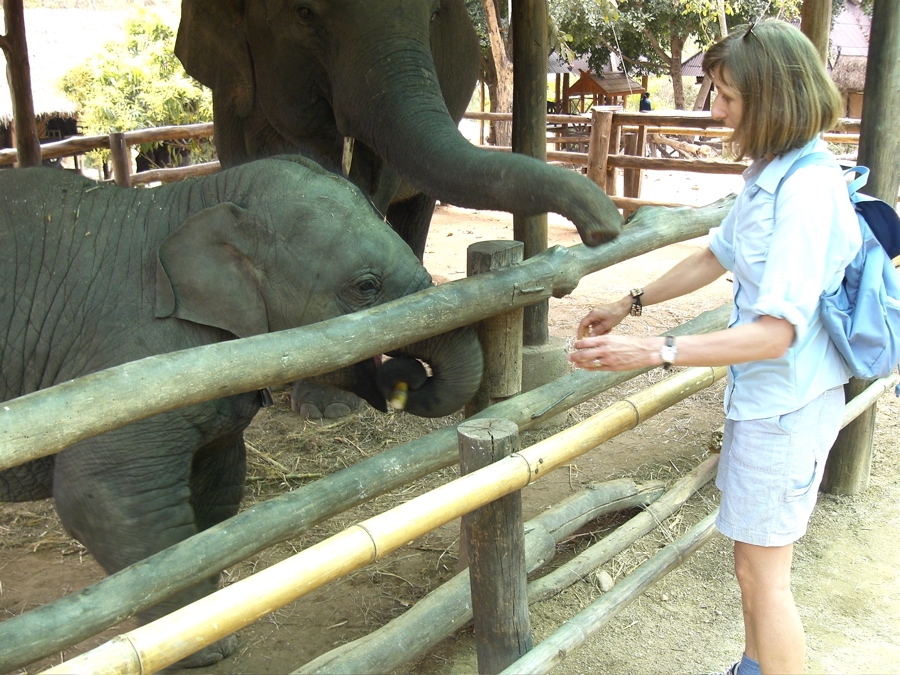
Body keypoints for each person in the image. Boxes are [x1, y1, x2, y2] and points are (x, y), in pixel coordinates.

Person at [568, 20, 860, 675]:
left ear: (774, 97)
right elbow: (716, 253)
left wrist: (653, 350)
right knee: (750, 563)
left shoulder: (808, 190)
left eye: (728, 96)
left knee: (765, 576)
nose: (716, 108)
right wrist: (631, 301)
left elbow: (775, 332)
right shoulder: (772, 170)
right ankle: (752, 665)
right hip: (762, 399)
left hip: (788, 400)